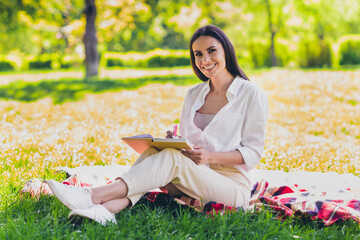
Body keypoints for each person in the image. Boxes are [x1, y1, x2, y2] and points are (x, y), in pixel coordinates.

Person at [47, 25, 268, 226]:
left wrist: (210, 157)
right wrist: (174, 141)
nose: (205, 60)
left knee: (171, 159)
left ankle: (92, 196)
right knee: (156, 151)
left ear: (226, 51)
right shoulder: (193, 95)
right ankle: (106, 210)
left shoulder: (250, 93)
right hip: (194, 176)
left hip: (232, 186)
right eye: (198, 54)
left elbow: (253, 153)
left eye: (212, 51)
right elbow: (190, 144)